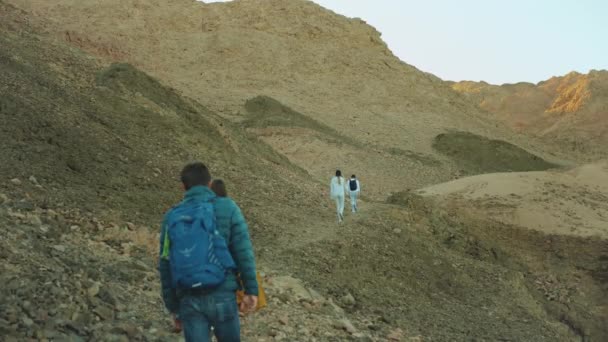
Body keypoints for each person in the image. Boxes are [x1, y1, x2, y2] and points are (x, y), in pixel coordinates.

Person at [159, 162, 258, 342]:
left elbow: (165, 263)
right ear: (210, 183)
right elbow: (243, 251)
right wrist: (251, 290)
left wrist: (173, 307)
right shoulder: (228, 207)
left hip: (189, 298)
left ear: (183, 186)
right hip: (222, 293)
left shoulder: (171, 217)